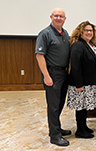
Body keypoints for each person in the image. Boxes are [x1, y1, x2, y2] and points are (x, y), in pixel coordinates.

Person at [35, 8, 71, 147]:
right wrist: (46, 76)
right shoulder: (45, 34)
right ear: (51, 17)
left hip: (63, 73)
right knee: (53, 106)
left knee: (60, 103)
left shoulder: (65, 33)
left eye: (61, 16)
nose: (58, 18)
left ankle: (57, 128)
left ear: (64, 19)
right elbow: (39, 55)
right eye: (56, 16)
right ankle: (55, 136)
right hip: (52, 74)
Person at [67, 21, 96, 139]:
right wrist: (78, 84)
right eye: (86, 30)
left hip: (89, 82)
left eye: (91, 30)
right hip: (81, 83)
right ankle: (80, 131)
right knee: (80, 107)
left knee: (85, 106)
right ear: (80, 32)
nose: (89, 32)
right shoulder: (78, 45)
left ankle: (84, 127)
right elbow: (75, 66)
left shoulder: (90, 44)